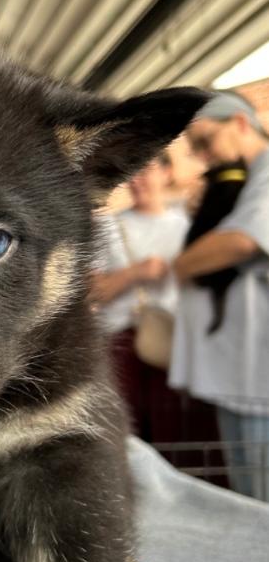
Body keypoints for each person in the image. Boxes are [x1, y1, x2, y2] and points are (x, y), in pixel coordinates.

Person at [170, 91, 269, 502]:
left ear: (241, 124)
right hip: (241, 375)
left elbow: (244, 241)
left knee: (258, 502)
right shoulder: (247, 178)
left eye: (206, 142)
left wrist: (179, 265)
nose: (203, 156)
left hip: (255, 380)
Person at [90, 153, 189, 443]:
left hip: (172, 340)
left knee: (173, 427)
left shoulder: (186, 226)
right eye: (131, 173)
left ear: (167, 172)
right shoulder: (109, 227)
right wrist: (136, 273)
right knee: (128, 431)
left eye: (145, 170)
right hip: (121, 342)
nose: (137, 180)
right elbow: (92, 291)